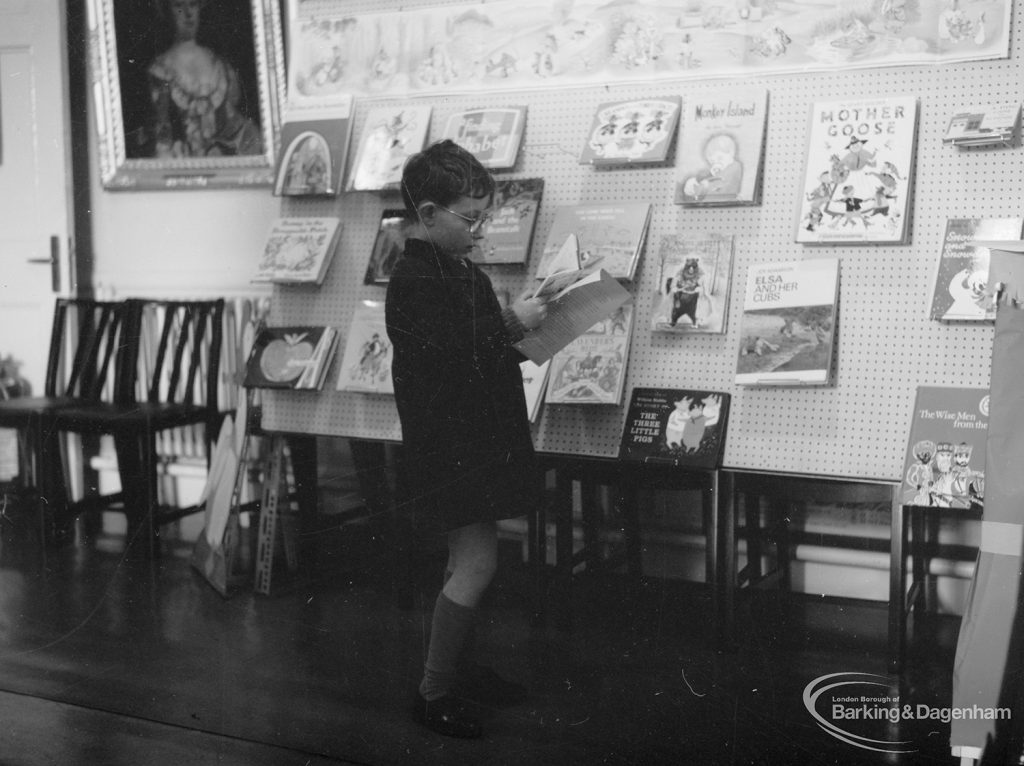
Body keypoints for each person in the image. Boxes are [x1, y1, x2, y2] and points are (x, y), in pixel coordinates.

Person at [385, 140, 547, 738]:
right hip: (451, 449)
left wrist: (532, 326)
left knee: (469, 562)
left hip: (474, 441)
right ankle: (433, 692)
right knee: (476, 564)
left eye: (484, 218)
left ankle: (455, 671)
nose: (480, 231)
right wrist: (510, 324)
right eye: (471, 219)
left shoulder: (459, 270)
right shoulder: (413, 279)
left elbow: (478, 349)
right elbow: (451, 350)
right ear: (427, 215)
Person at [147, 0, 262, 158]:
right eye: (179, 6)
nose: (188, 14)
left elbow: (234, 125)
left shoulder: (220, 65)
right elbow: (162, 136)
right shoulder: (160, 70)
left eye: (193, 5)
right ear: (167, 11)